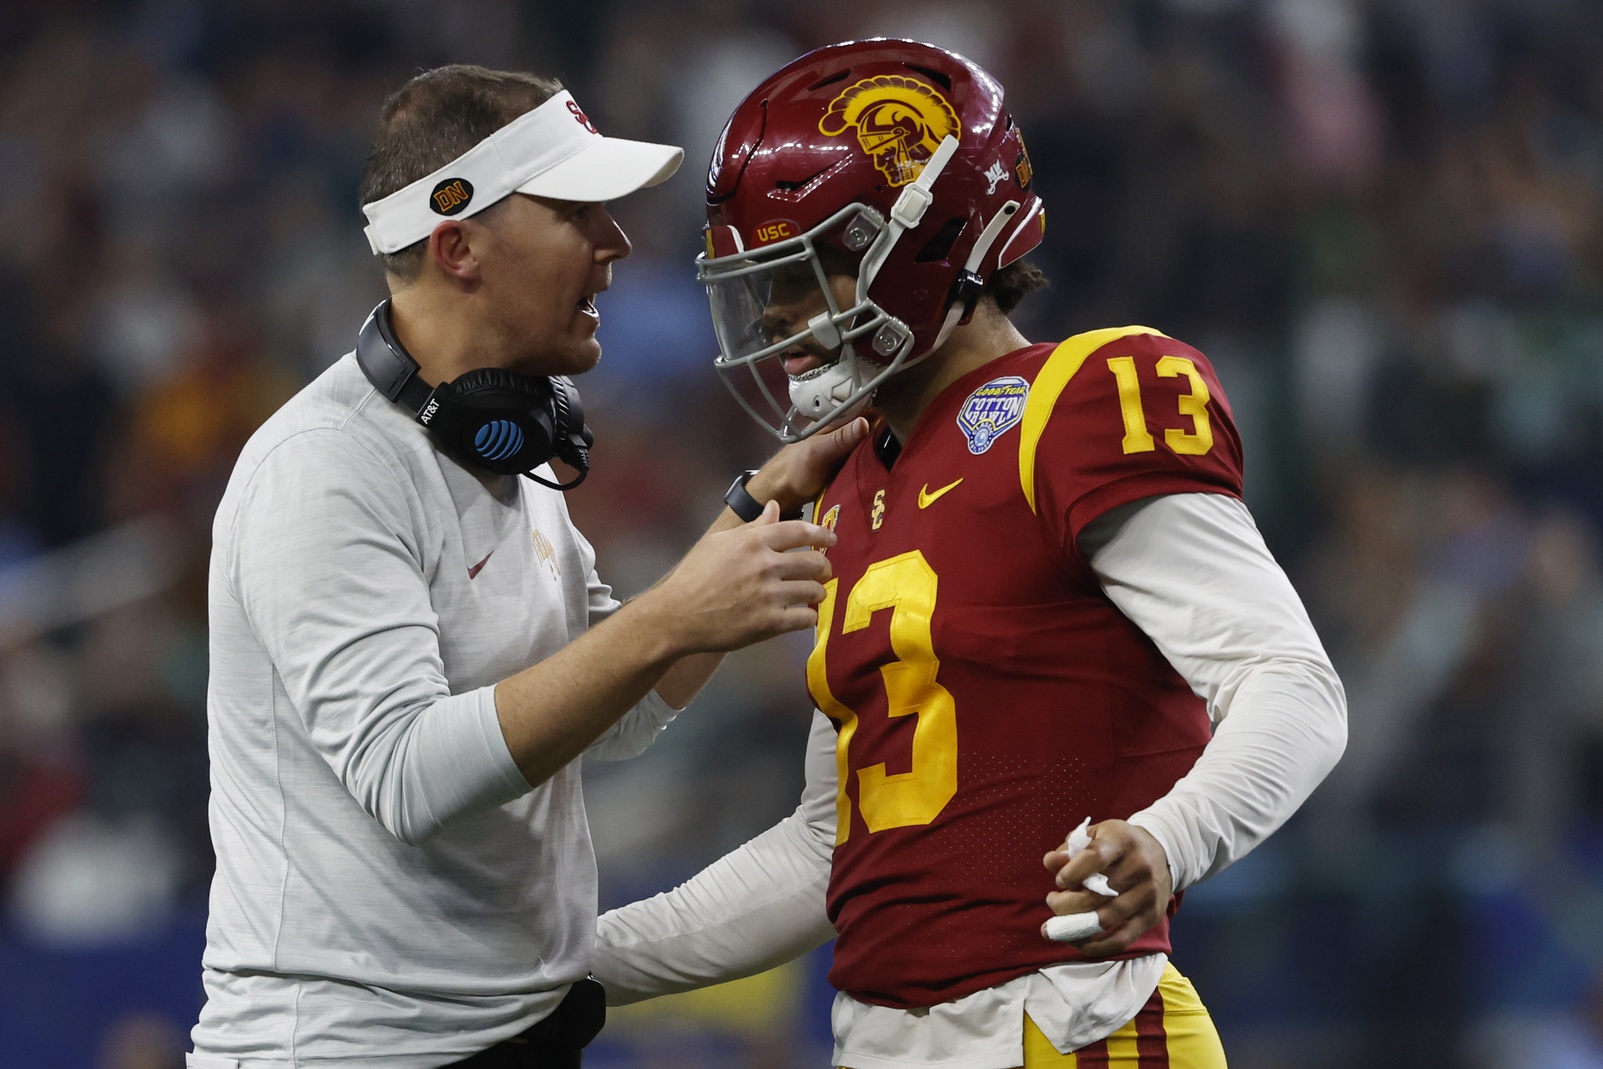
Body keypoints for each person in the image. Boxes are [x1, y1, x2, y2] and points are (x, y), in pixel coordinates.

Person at [592, 39, 1348, 1068]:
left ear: (924, 239)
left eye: (808, 270)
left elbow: (1291, 682)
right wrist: (574, 965)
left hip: (1062, 1028)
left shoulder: (1083, 399)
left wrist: (1171, 841)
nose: (776, 316)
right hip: (885, 1036)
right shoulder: (847, 483)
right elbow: (834, 849)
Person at [188, 65, 864, 1069]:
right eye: (575, 213)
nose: (616, 245)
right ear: (457, 245)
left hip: (503, 1041)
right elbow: (407, 774)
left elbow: (620, 706)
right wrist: (676, 612)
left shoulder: (505, 458)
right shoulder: (324, 468)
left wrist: (754, 511)